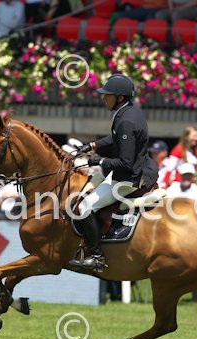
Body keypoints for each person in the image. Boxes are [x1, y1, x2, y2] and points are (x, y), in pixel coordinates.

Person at [70, 74, 158, 272]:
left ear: (119, 97)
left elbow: (125, 163)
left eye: (107, 95)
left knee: (85, 206)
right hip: (140, 169)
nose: (104, 98)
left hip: (130, 178)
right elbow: (116, 138)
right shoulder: (129, 112)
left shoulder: (125, 121)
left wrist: (99, 161)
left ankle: (97, 257)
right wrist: (93, 145)